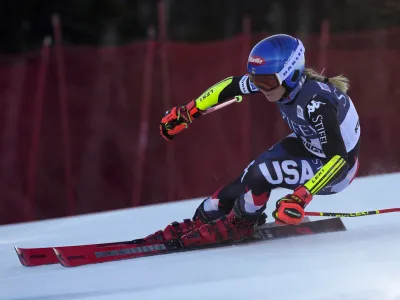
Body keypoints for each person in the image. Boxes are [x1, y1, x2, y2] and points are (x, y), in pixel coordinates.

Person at [146, 34, 360, 247]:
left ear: (291, 75)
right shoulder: (279, 83)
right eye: (256, 80)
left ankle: (242, 223)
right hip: (309, 145)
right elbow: (230, 86)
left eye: (266, 82)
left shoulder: (316, 103)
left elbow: (339, 159)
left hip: (338, 170)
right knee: (246, 179)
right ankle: (205, 218)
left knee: (264, 172)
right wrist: (190, 111)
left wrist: (300, 197)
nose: (260, 87)